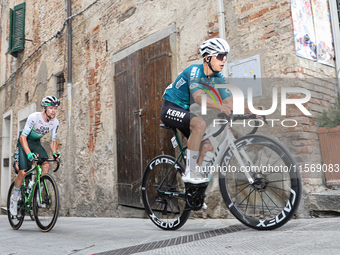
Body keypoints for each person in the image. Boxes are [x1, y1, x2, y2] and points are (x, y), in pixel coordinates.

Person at [161, 38, 255, 184]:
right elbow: (198, 97)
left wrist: (248, 110)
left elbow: (228, 101)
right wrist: (220, 107)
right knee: (199, 124)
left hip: (185, 111)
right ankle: (190, 172)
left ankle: (193, 186)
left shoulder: (217, 77)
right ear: (207, 58)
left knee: (207, 147)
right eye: (220, 56)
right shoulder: (194, 71)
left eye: (225, 57)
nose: (223, 60)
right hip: (170, 108)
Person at [10, 96, 61, 216]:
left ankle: (38, 193)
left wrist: (54, 153)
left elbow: (53, 141)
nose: (53, 111)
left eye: (55, 108)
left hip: (36, 144)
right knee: (22, 172)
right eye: (51, 108)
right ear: (45, 108)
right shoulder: (35, 117)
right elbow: (23, 137)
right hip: (24, 143)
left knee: (46, 165)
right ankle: (14, 199)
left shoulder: (55, 122)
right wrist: (28, 153)